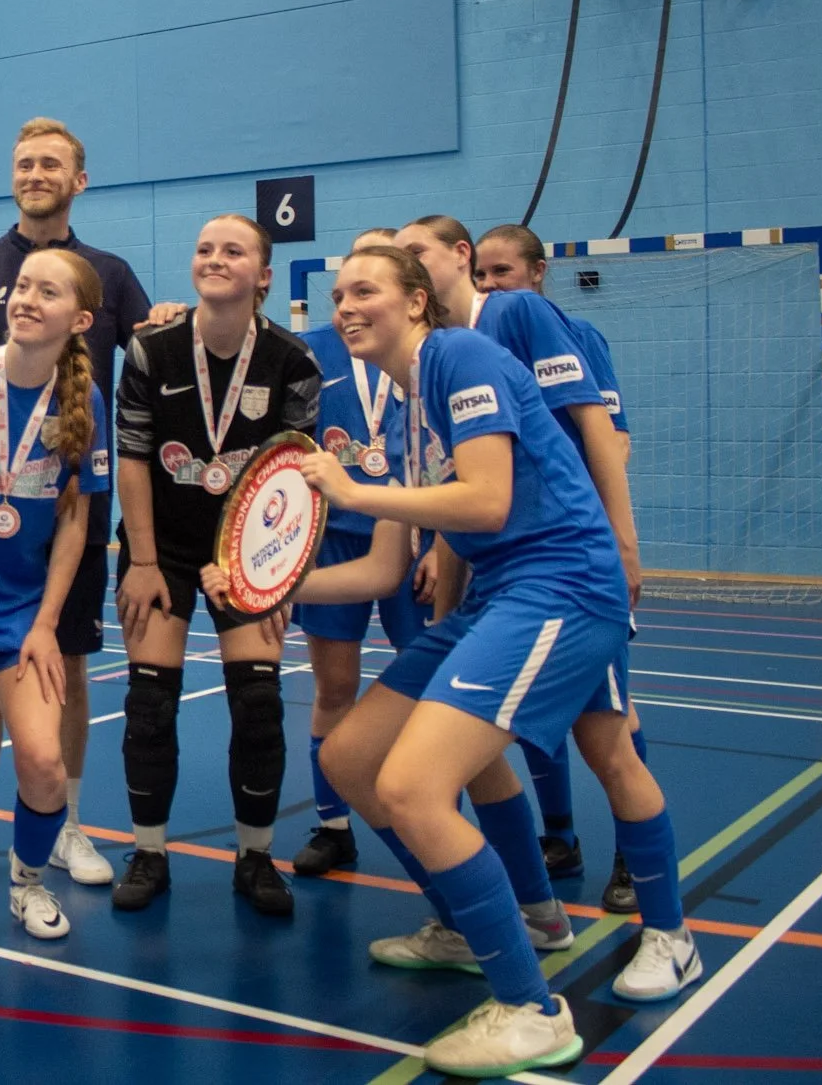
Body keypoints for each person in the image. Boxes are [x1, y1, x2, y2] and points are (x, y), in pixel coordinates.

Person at [246, 245, 697, 1077]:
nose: (346, 306)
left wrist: (352, 490)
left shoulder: (462, 354)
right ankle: (472, 924)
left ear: (417, 301)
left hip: (562, 585)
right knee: (350, 758)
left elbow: (487, 500)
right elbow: (383, 569)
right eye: (338, 294)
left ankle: (533, 1008)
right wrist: (266, 587)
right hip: (497, 595)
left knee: (417, 785)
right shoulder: (404, 411)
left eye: (366, 289)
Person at [0, 119, 153, 887]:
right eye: (23, 161)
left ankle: (66, 824)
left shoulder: (111, 272)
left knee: (64, 666)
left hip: (63, 501)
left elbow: (152, 355)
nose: (34, 173)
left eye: (50, 163)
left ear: (78, 180)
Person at [112, 214, 320, 916]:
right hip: (162, 548)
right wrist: (143, 561)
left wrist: (273, 575)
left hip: (248, 553)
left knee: (258, 704)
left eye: (234, 250)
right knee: (149, 704)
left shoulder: (293, 361)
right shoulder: (152, 350)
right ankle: (148, 852)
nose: (215, 258)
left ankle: (255, 857)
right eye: (204, 248)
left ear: (264, 275)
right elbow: (133, 458)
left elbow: (295, 475)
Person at [0, 249, 113, 947]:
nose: (28, 298)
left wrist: (45, 625)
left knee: (42, 761)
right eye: (23, 286)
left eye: (49, 292)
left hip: (20, 615)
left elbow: (74, 524)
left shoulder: (86, 402)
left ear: (80, 320)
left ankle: (28, 882)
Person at [473, 222, 647, 914]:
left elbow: (612, 437)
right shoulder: (473, 344)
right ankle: (560, 837)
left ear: (538, 272)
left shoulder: (575, 335)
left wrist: (617, 540)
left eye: (503, 271)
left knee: (606, 710)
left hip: (577, 553)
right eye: (482, 273)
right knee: (534, 704)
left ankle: (635, 858)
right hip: (513, 557)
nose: (491, 285)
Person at [287, 228, 430, 878]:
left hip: (416, 534)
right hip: (336, 537)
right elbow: (289, 448)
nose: (351, 302)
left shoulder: (431, 354)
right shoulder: (313, 350)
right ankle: (333, 824)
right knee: (335, 685)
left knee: (431, 685)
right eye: (344, 285)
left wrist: (441, 545)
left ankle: (438, 815)